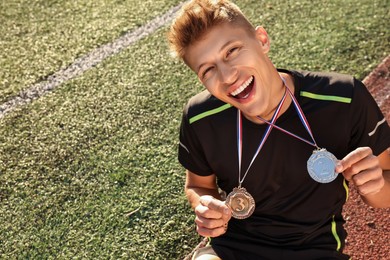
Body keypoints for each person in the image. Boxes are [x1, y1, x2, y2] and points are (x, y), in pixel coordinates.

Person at [167, 0, 390, 259]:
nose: (227, 76)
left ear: (262, 40)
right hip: (232, 249)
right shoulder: (200, 117)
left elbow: (384, 193)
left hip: (314, 249)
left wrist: (374, 185)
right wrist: (203, 204)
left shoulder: (344, 99)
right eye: (208, 70)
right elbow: (197, 185)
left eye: (232, 51)